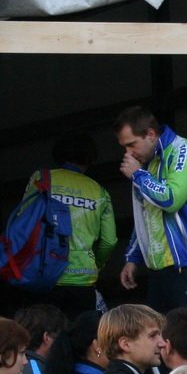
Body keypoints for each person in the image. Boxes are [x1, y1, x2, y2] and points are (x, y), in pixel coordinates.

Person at [115, 106, 187, 333]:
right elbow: (145, 214)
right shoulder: (149, 164)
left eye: (131, 144)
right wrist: (133, 258)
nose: (128, 153)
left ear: (151, 134)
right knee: (161, 348)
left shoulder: (183, 150)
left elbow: (171, 198)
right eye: (124, 147)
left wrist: (137, 175)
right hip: (159, 269)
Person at [34, 131, 117, 317]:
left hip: (45, 275)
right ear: (90, 157)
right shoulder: (99, 191)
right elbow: (109, 241)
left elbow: (23, 220)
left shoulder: (41, 179)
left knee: (44, 339)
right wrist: (97, 264)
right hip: (83, 279)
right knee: (81, 339)